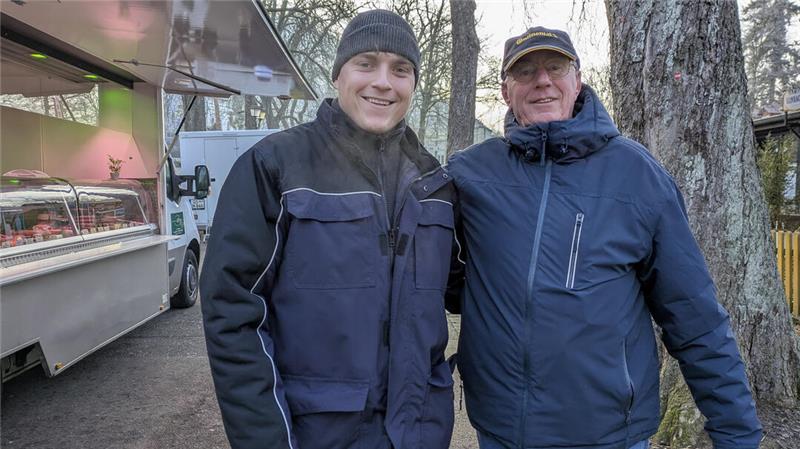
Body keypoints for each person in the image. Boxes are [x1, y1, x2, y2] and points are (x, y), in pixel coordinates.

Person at [445, 27, 762, 449]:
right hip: (502, 431)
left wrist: (737, 432)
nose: (542, 80)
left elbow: (694, 317)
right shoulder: (471, 174)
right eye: (525, 71)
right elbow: (438, 272)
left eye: (555, 67)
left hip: (608, 434)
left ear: (577, 81)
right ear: (505, 90)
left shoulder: (637, 176)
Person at [201, 10, 455, 449]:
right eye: (366, 63)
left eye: (400, 69)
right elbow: (232, 312)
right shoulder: (275, 167)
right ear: (339, 75)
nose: (383, 81)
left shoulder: (435, 185)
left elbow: (465, 293)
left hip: (417, 434)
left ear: (413, 84)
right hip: (316, 435)